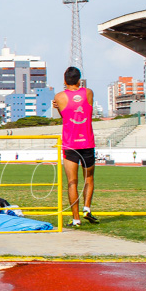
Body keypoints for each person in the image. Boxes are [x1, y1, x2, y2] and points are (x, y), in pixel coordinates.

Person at [53, 66, 98, 226]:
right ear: (79, 80)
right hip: (87, 142)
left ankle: (76, 219)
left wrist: (58, 108)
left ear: (65, 81)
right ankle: (87, 208)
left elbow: (65, 117)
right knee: (89, 178)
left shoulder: (59, 97)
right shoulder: (88, 93)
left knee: (72, 182)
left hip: (70, 144)